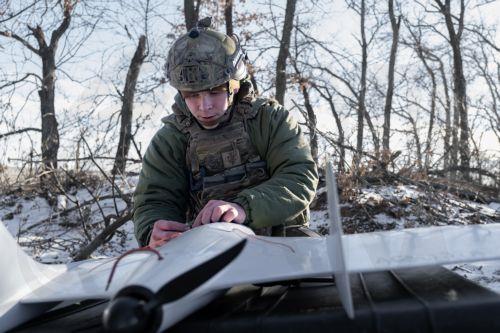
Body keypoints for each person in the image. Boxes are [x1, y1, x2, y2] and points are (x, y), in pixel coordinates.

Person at [133, 18, 318, 247]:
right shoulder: (170, 140)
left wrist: (243, 208)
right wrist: (154, 229)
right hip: (208, 252)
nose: (204, 105)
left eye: (215, 91)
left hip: (283, 245)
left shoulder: (270, 120)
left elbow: (299, 177)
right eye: (192, 95)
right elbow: (155, 200)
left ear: (235, 85)